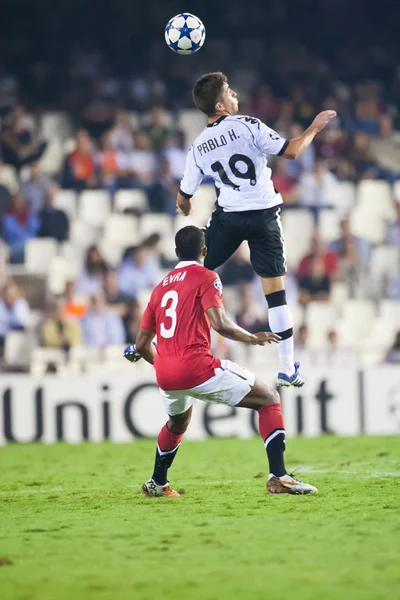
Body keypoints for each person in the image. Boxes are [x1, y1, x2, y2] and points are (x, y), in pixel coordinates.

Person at [125, 226, 317, 497]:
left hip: (165, 372)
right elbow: (220, 323)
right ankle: (279, 477)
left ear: (176, 252)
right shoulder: (207, 277)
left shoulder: (159, 288)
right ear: (205, 251)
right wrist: (252, 338)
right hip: (197, 366)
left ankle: (157, 483)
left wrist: (165, 365)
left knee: (177, 423)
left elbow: (142, 344)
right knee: (269, 399)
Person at [176, 71, 336, 387]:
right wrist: (314, 128)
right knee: (275, 295)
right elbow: (291, 151)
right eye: (230, 92)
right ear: (220, 104)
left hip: (229, 218)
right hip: (263, 214)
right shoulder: (248, 125)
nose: (235, 94)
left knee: (188, 273)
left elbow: (184, 197)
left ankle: (153, 337)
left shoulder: (198, 147)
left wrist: (185, 208)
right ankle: (286, 367)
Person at [1, 192, 40, 263]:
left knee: (31, 247)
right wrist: (25, 229)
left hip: (30, 245)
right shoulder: (8, 217)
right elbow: (12, 232)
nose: (18, 202)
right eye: (16, 200)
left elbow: (34, 228)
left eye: (20, 200)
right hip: (13, 246)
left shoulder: (30, 215)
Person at [0, 281, 30, 349]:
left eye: (13, 294)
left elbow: (21, 323)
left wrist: (13, 307)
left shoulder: (21, 304)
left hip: (17, 340)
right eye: (8, 294)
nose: (11, 296)